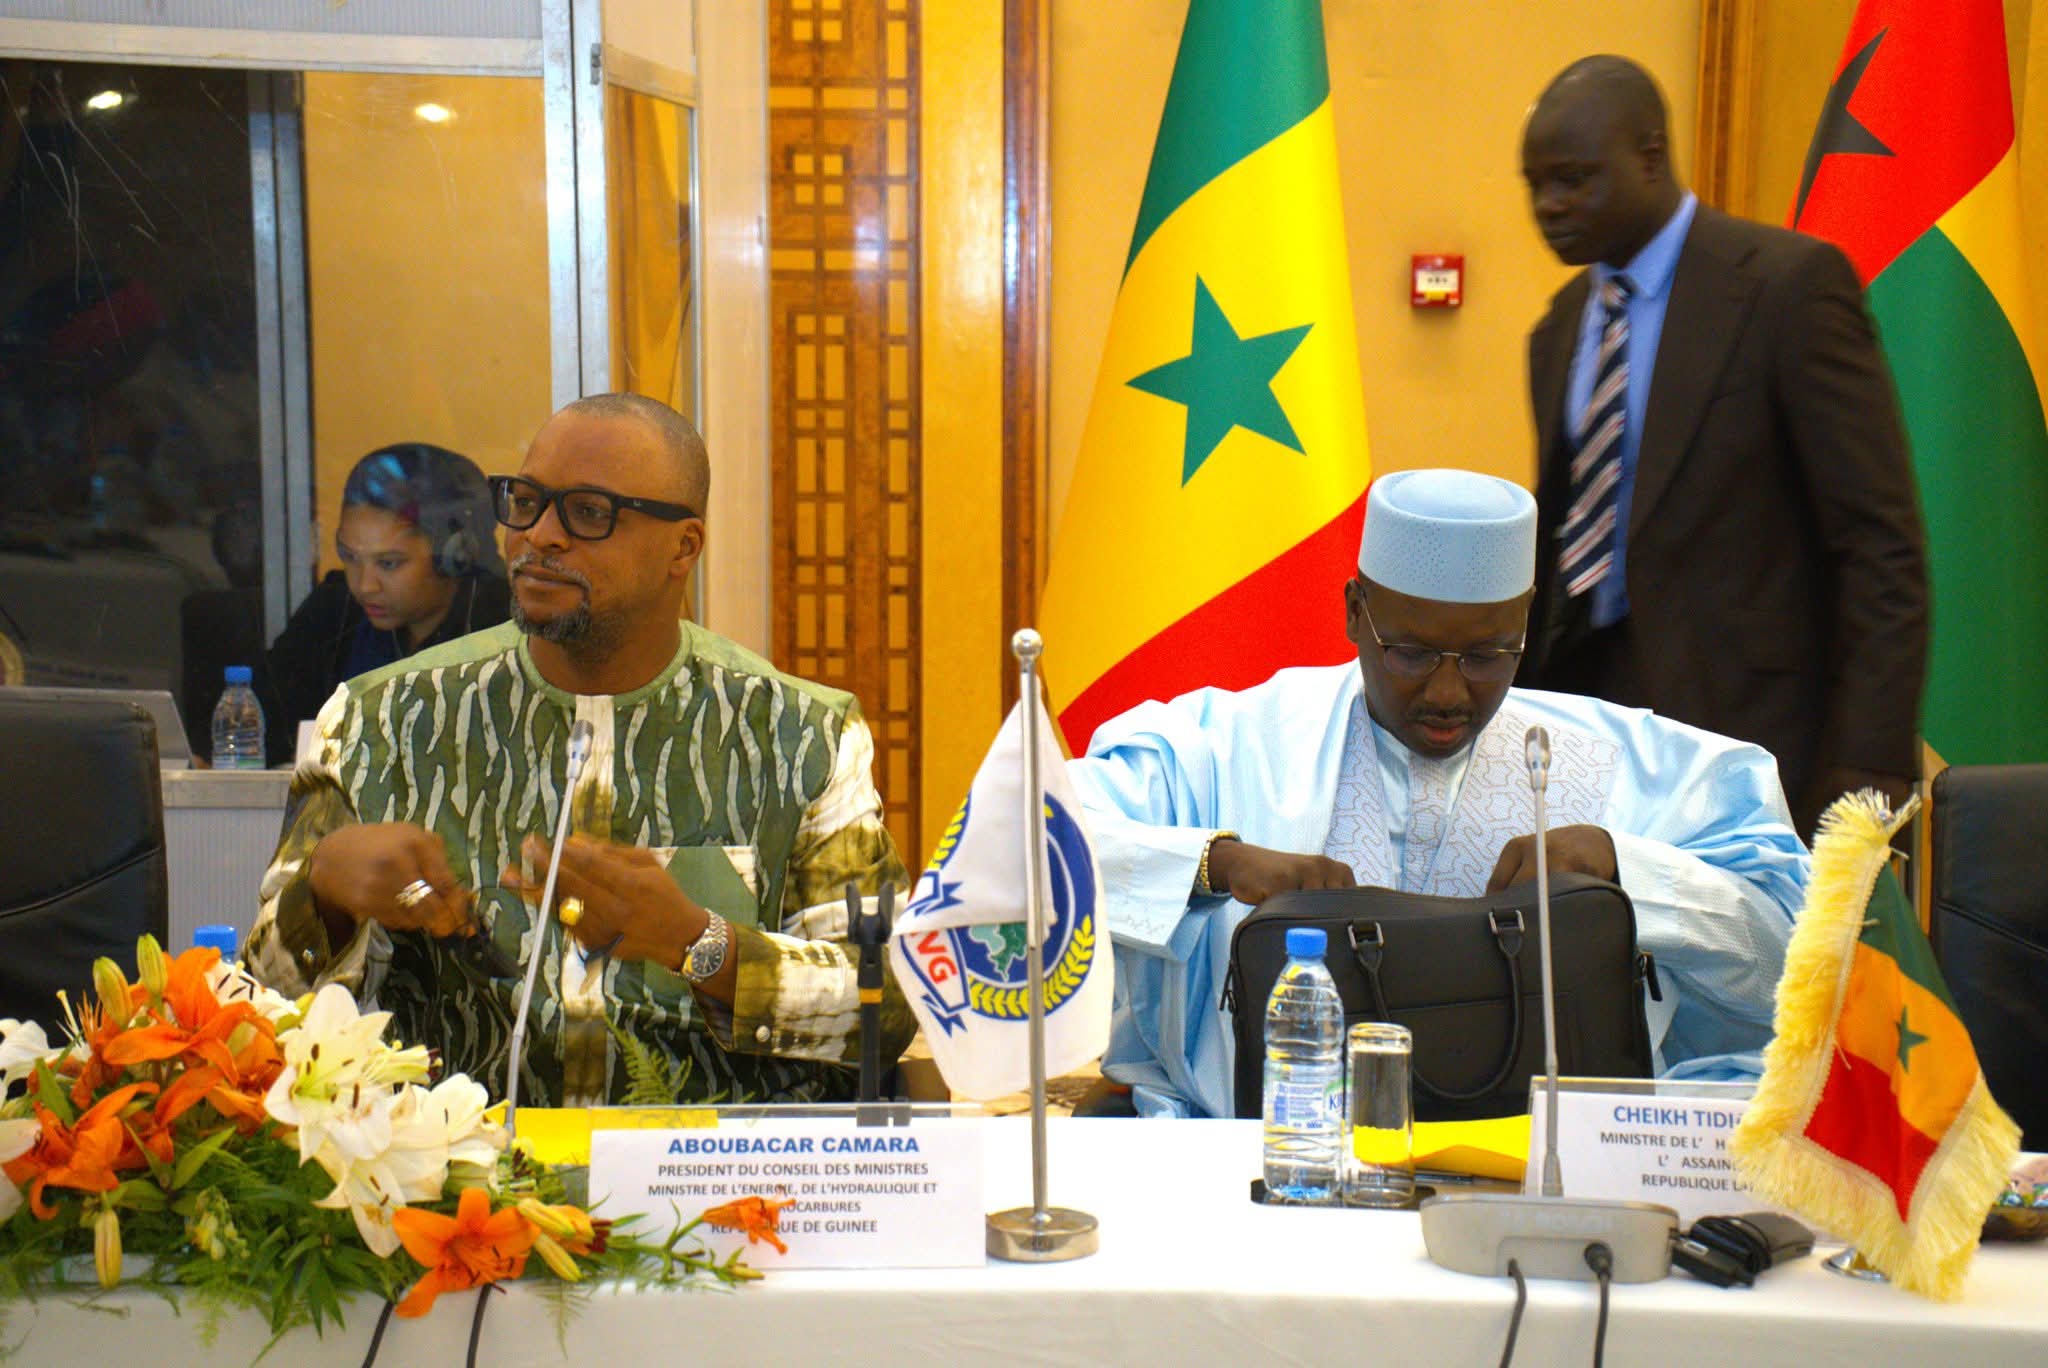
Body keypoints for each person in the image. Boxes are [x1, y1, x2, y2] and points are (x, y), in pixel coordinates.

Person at [1070, 469, 1809, 1119]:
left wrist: (1625, 868)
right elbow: (1039, 843)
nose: (1449, 692)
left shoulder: (1635, 767)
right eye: (1412, 653)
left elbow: (1798, 962)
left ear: (1525, 622)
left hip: (1550, 1177)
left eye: (1488, 656)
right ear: (1355, 611)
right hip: (1275, 1158)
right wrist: (1218, 864)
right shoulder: (1230, 746)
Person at [245, 395, 913, 1107]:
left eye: (589, 512)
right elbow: (265, 1009)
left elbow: (889, 1007)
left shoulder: (798, 733)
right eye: (525, 502)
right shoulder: (383, 722)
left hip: (717, 1172)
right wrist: (324, 898)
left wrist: (698, 943)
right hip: (462, 1168)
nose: (540, 536)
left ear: (684, 547)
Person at [1517, 56, 1927, 837]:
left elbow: (1878, 542)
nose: (1548, 205)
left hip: (1759, 738)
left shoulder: (1787, 288)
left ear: (1650, 157)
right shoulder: (1559, 326)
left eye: (1573, 179)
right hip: (1589, 737)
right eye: (1534, 184)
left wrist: (1871, 754)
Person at [267, 444, 513, 751]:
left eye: (389, 563)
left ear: (455, 557)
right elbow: (265, 723)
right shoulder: (336, 608)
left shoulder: (504, 628)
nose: (365, 585)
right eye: (350, 556)